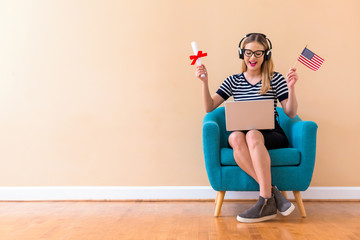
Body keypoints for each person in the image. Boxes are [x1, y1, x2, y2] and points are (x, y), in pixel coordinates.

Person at [195, 33, 299, 223]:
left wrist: (291, 88)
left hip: (272, 134)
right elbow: (209, 108)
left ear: (266, 55)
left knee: (252, 134)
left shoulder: (275, 79)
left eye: (258, 53)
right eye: (248, 52)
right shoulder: (233, 81)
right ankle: (272, 194)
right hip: (245, 134)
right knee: (235, 137)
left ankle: (264, 199)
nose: (252, 58)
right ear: (241, 54)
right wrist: (204, 82)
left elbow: (291, 113)